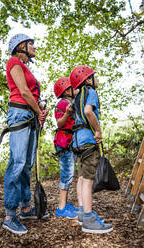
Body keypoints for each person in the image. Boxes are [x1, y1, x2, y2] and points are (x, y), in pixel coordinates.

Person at [2, 33, 49, 234]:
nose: (34, 48)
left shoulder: (26, 67)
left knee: (27, 165)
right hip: (20, 115)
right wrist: (38, 111)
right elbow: (23, 91)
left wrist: (40, 109)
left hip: (29, 116)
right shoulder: (14, 62)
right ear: (21, 46)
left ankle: (26, 207)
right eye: (32, 44)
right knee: (18, 162)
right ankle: (9, 215)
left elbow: (32, 95)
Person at [70, 65, 113, 233]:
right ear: (88, 80)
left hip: (78, 142)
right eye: (94, 76)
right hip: (88, 141)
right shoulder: (91, 93)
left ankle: (82, 212)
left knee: (81, 178)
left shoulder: (78, 96)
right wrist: (98, 130)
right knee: (88, 181)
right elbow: (89, 112)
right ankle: (88, 219)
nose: (97, 79)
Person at [53, 77, 79, 218]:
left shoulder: (69, 102)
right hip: (64, 143)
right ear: (67, 91)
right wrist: (68, 114)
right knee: (67, 174)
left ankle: (65, 203)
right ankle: (61, 207)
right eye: (73, 87)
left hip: (68, 143)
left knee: (69, 173)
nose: (76, 89)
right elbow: (59, 124)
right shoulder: (63, 104)